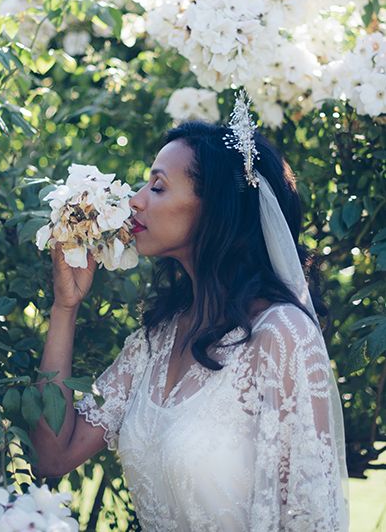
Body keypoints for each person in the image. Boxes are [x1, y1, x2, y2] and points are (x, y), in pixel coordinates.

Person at [30, 113, 350, 531]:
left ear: (215, 206)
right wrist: (64, 307)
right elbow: (53, 456)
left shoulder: (282, 335)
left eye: (158, 186)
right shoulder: (154, 342)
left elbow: (310, 519)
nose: (135, 201)